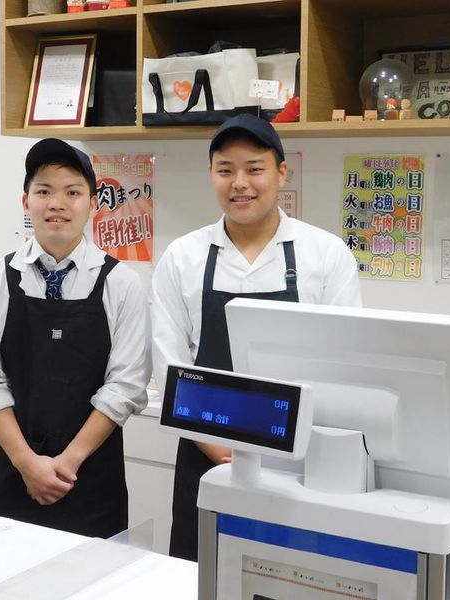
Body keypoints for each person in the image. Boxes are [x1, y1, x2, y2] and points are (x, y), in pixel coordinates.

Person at [151, 114, 362, 561]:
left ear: (281, 172)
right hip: (204, 455)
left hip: (299, 462)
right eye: (225, 169)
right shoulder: (182, 257)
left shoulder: (325, 255)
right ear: (211, 174)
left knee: (293, 576)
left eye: (254, 168)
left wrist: (285, 451)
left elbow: (342, 366)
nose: (239, 183)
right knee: (200, 574)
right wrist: (215, 447)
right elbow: (168, 363)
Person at [0, 138, 150, 538]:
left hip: (91, 482)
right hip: (11, 475)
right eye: (44, 191)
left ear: (93, 203)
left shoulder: (123, 284)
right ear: (26, 202)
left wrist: (66, 464)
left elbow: (125, 386)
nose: (56, 203)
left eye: (72, 192)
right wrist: (28, 463)